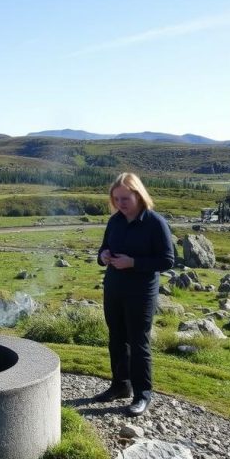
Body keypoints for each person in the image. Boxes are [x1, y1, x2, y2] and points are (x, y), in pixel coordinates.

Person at [95, 172, 175, 416]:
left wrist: (133, 262)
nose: (120, 204)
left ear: (139, 195)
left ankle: (143, 395)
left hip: (141, 291)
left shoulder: (155, 222)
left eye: (125, 198)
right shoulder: (115, 221)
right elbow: (102, 249)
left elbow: (167, 260)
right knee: (116, 339)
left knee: (138, 343)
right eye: (116, 199)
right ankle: (120, 386)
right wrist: (103, 256)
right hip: (114, 287)